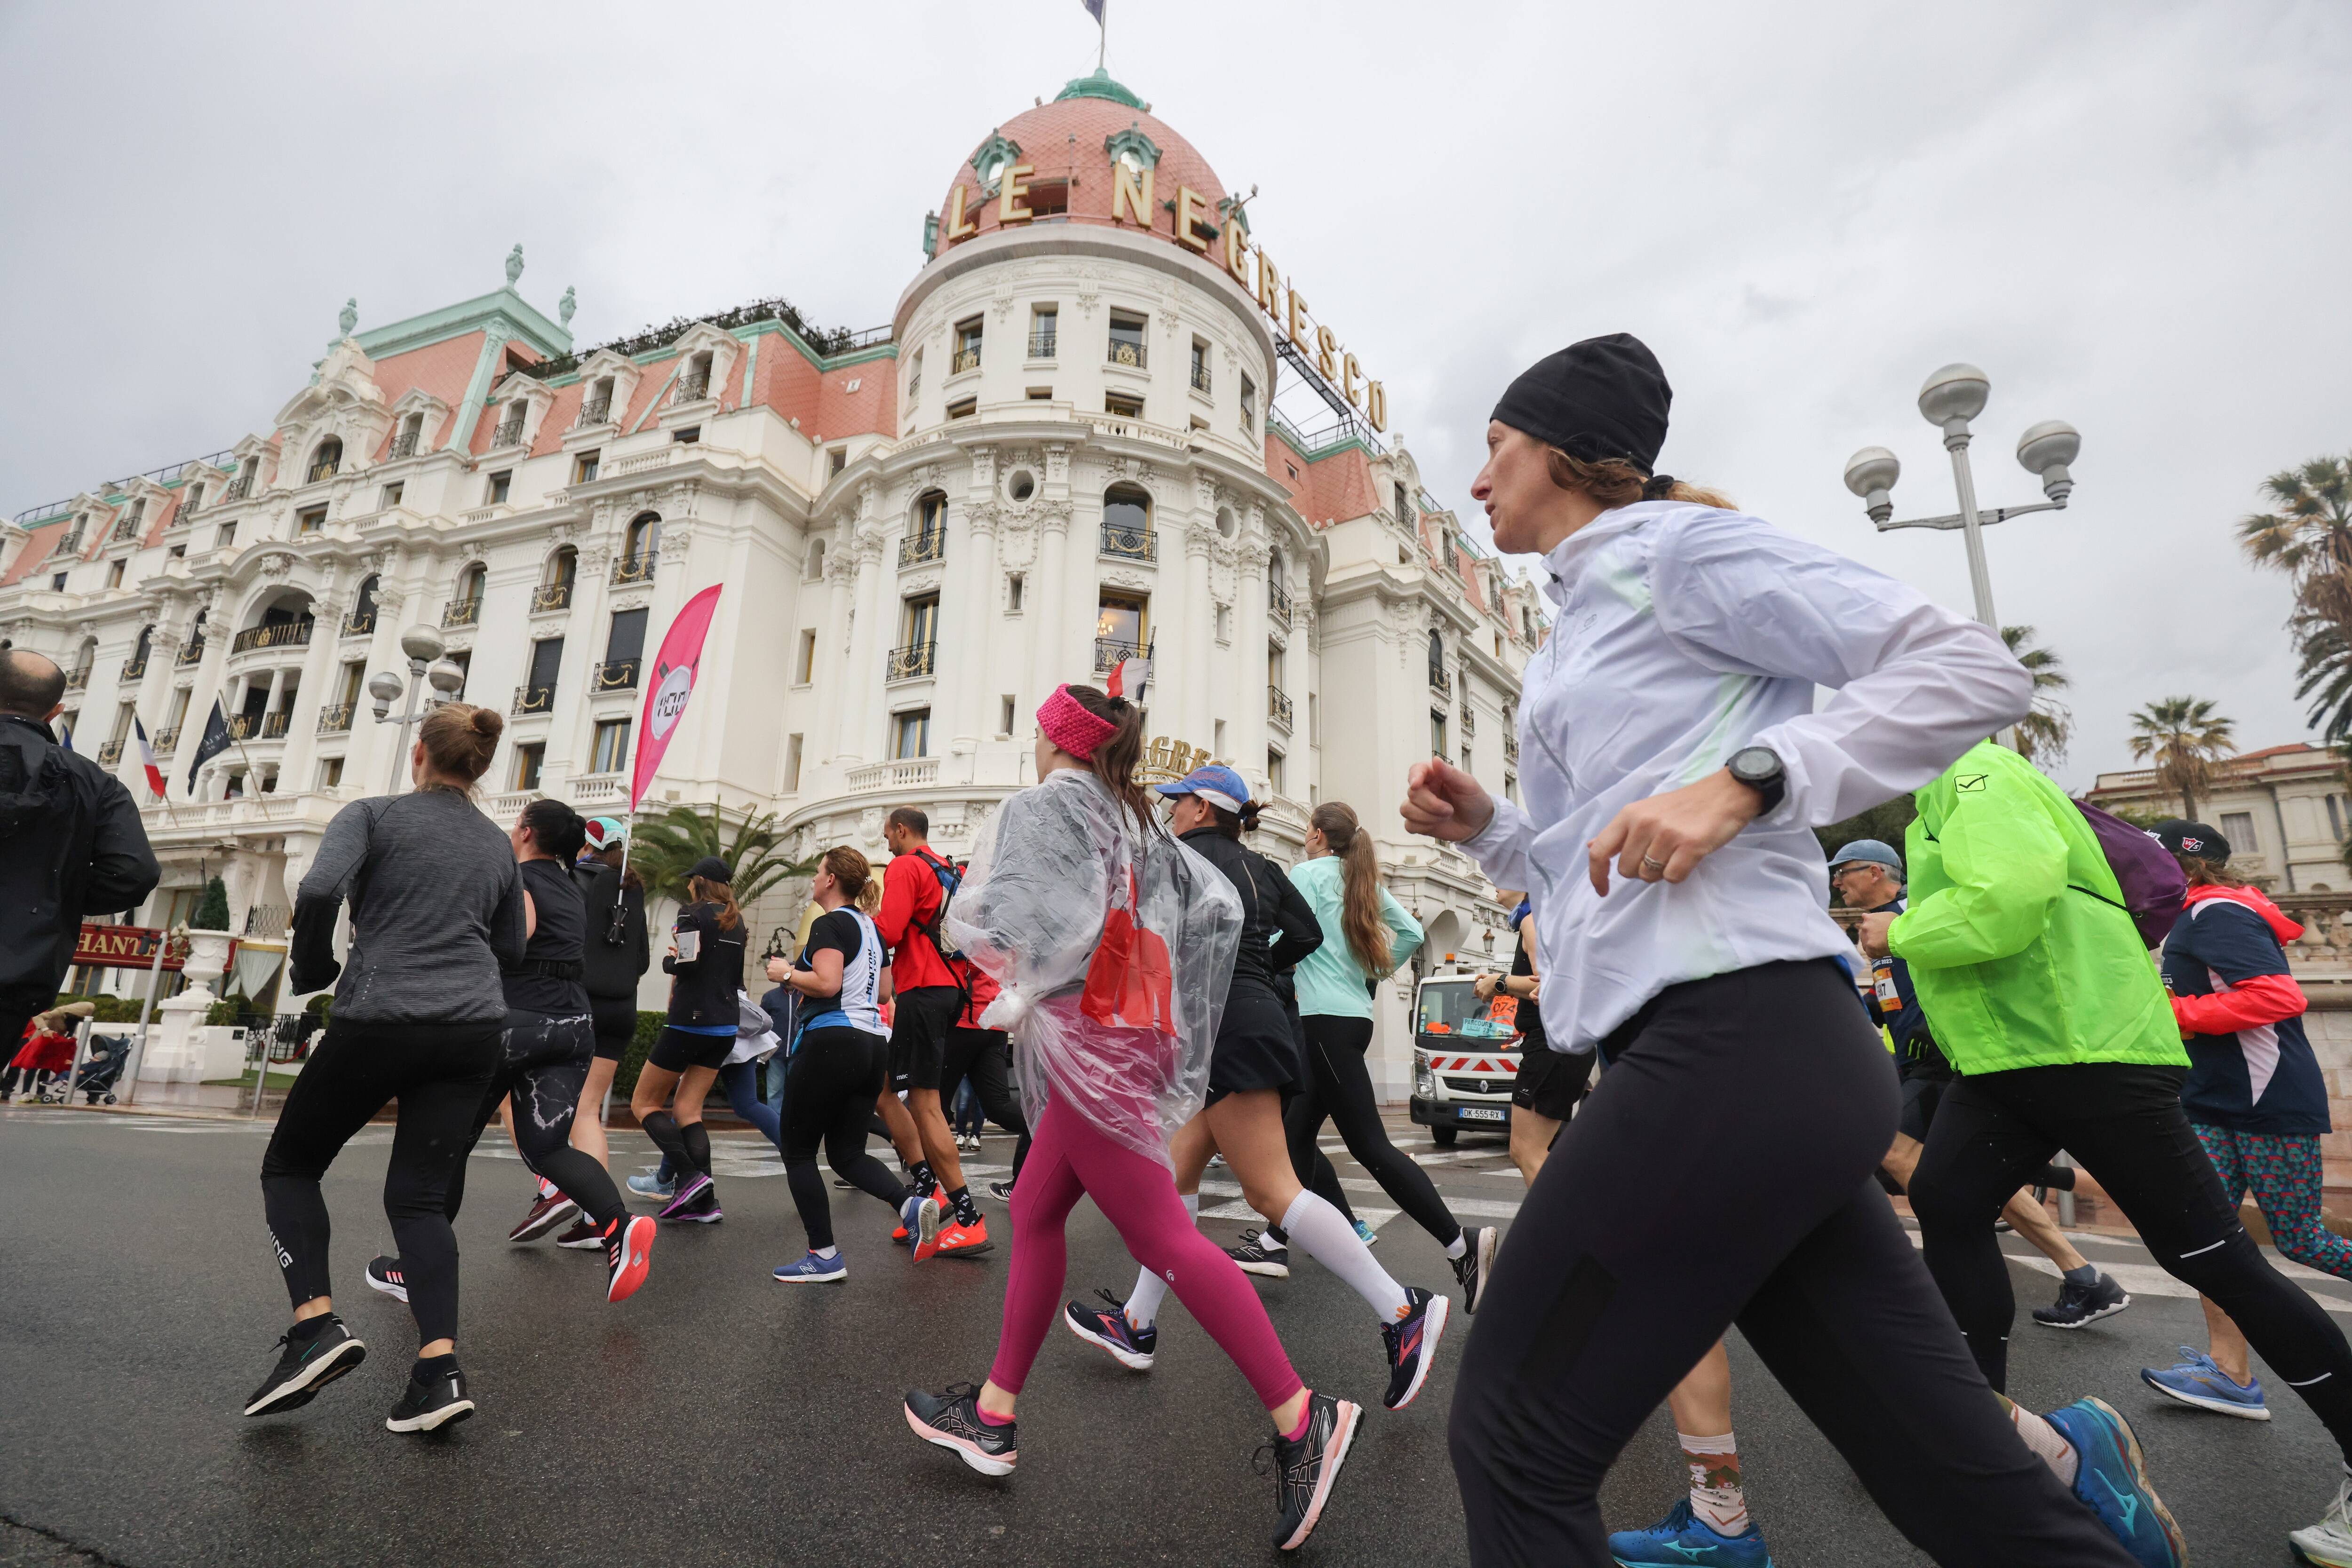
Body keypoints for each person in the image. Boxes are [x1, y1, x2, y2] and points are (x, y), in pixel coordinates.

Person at [1410, 334, 2169, 1566]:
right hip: (1742, 1060)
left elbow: (1969, 668)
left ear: (1564, 451)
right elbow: (1591, 868)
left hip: (1737, 1041)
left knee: (1512, 1438)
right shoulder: (1572, 627)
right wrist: (1493, 828)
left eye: (1495, 446)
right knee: (1959, 1484)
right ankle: (2078, 1472)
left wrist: (1754, 779)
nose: (1479, 478)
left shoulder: (1677, 553)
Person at [1870, 741, 2352, 1562]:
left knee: (2218, 1260)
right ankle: (1984, 1444)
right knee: (1949, 1202)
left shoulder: (1977, 770)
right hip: (2010, 1057)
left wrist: (1902, 927)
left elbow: (2008, 902)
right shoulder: (1935, 800)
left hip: (2086, 1049)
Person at [905, 685, 1361, 1552]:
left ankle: (1303, 1417)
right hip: (1133, 1029)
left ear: (1058, 738)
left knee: (1167, 1239)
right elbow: (1206, 914)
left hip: (1086, 1038)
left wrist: (1025, 977)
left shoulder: (1050, 804)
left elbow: (1009, 914)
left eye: (1040, 731)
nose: (1034, 744)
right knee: (1038, 1209)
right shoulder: (1139, 817)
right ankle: (994, 1411)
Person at [1078, 765, 1453, 1413]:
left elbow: (1137, 942)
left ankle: (1401, 1308)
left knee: (1272, 1189)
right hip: (1254, 1019)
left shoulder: (1175, 860)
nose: (1172, 813)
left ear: (1200, 807)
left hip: (1221, 1028)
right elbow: (1304, 937)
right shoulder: (1266, 869)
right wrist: (1256, 969)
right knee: (1177, 1177)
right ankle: (1138, 1322)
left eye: (1179, 803)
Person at [250, 703, 520, 1434]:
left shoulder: (372, 813)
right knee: (421, 1202)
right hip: (471, 1029)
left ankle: (315, 1325)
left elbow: (316, 890)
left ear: (420, 757)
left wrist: (314, 964)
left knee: (292, 1165)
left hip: (380, 1015)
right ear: (480, 766)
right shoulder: (499, 844)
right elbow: (514, 947)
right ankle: (439, 1371)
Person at [2130, 822, 2352, 1555]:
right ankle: (2231, 1374)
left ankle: (2234, 1372)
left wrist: (2175, 1015)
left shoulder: (2217, 911)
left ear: (2181, 864)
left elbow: (2277, 996)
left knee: (2300, 1238)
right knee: (2209, 1234)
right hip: (2214, 1101)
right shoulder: (2189, 916)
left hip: (2266, 1101)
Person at [1823, 838, 2127, 1324]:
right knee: (1974, 1177)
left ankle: (1928, 1278)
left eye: (1844, 871)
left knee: (1896, 1150)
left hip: (1946, 1063)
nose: (1836, 881)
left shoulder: (1915, 914)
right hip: (1921, 1064)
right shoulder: (1876, 930)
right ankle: (2086, 1279)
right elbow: (1889, 1003)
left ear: (1876, 873)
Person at [368, 799, 654, 1305]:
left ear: (524, 832)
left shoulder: (519, 881)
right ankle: (619, 1225)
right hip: (572, 1024)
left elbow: (509, 945)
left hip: (515, 1022)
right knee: (548, 1147)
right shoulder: (572, 886)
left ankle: (416, 1268)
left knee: (449, 1141)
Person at [1282, 801, 1497, 1307]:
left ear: (1315, 834)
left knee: (1369, 1147)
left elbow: (1286, 936)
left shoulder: (1306, 874)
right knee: (1294, 1135)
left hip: (1320, 1021)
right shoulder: (1362, 880)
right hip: (1351, 1017)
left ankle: (1459, 1243)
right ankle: (1275, 1241)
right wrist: (1370, 975)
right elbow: (1412, 934)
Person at [770, 846, 942, 1282]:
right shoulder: (873, 929)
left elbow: (826, 983)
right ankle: (909, 1202)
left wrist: (786, 973)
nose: (813, 878)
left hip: (831, 1040)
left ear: (831, 881)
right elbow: (884, 993)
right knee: (846, 1154)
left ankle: (824, 1255)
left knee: (798, 1150)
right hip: (870, 1044)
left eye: (818, 871)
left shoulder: (830, 923)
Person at [0, 649, 159, 1057]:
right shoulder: (95, 782)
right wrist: (52, 896)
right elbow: (134, 872)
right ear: (56, 711)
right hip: (18, 969)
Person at [515, 816, 650, 1248]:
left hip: (575, 1003)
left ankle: (553, 1189)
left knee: (512, 1097)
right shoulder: (632, 887)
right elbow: (643, 960)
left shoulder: (572, 879)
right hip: (623, 1008)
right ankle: (597, 1220)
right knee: (588, 1111)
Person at [874, 807, 991, 1256]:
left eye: (888, 835)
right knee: (884, 1092)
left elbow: (889, 930)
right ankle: (928, 1188)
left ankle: (968, 1216)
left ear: (902, 830)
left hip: (922, 990)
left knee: (925, 1103)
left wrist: (853, 921)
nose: (886, 843)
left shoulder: (905, 867)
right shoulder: (949, 870)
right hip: (949, 988)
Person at [629, 856, 747, 1224]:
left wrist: (669, 962)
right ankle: (704, 1202)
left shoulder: (691, 914)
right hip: (726, 1026)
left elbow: (689, 963)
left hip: (689, 1023)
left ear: (700, 881)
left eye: (691, 879)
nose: (689, 885)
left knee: (644, 1104)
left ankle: (691, 1178)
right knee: (688, 1112)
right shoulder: (736, 919)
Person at [1484, 896, 1583, 1186]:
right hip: (1559, 1043)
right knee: (1531, 1151)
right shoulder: (1547, 914)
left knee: (1527, 1152)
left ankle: (1559, 1228)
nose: (1493, 887)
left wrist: (1499, 982)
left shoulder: (1533, 918)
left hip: (1550, 1042)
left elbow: (1549, 984)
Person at [5, 1003, 92, 1102]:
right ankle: (25, 1092)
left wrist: (71, 1038)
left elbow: (71, 1032)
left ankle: (41, 1092)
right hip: (41, 1039)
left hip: (54, 1043)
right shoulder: (60, 1012)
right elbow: (38, 1017)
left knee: (47, 1067)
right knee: (33, 1067)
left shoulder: (74, 1020)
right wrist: (46, 1030)